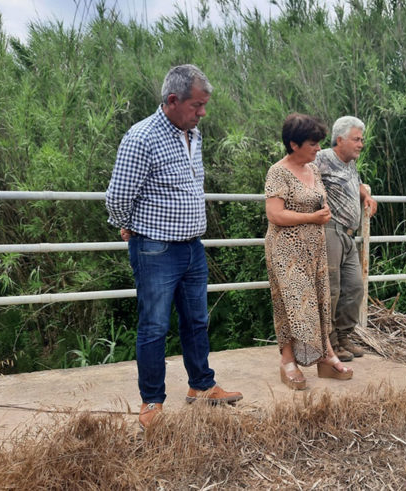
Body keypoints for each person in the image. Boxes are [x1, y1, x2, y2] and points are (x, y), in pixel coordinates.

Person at [105, 65, 242, 429]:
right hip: (156, 250)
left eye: (203, 106)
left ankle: (201, 386)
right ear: (172, 100)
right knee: (153, 326)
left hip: (192, 246)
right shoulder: (142, 137)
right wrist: (130, 226)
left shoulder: (192, 133)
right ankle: (152, 401)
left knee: (197, 320)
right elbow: (117, 197)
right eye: (197, 105)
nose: (202, 113)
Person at [265, 113, 353, 390]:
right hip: (286, 250)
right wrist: (312, 218)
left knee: (319, 301)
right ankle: (288, 360)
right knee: (293, 305)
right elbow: (275, 214)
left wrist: (322, 213)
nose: (318, 148)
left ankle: (325, 356)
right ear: (294, 144)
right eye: (312, 143)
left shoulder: (313, 169)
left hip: (315, 247)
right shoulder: (278, 172)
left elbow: (320, 199)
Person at [314, 116, 378, 362]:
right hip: (330, 230)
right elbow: (303, 180)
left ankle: (343, 337)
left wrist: (367, 197)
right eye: (357, 139)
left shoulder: (350, 162)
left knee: (354, 288)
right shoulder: (322, 159)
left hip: (349, 235)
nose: (361, 144)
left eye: (361, 139)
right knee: (331, 290)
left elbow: (357, 183)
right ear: (340, 139)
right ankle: (329, 344)